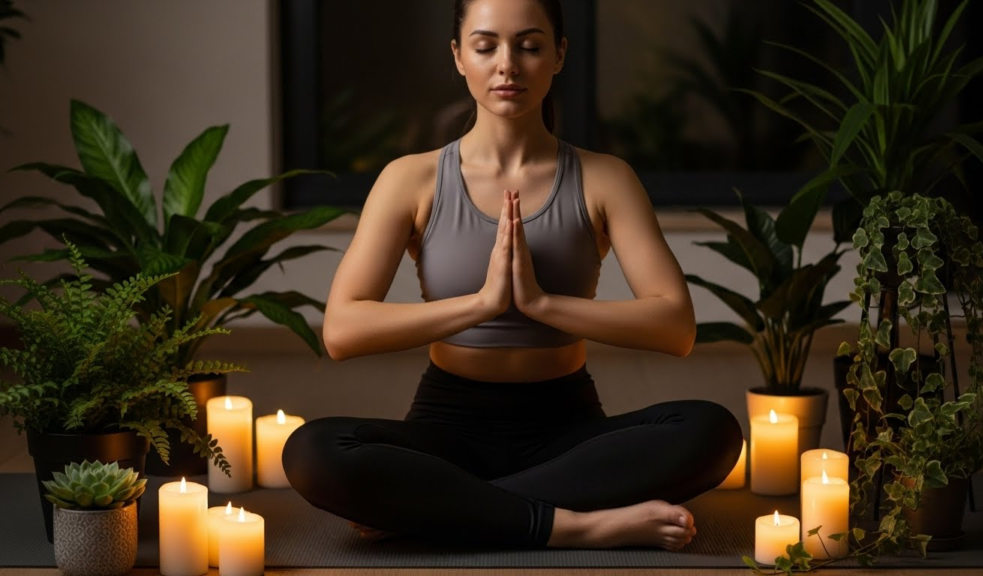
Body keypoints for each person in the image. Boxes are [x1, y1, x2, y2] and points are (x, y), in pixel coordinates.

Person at [282, 0, 742, 552]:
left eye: (529, 46)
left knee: (713, 432)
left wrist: (542, 304)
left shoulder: (604, 178)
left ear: (559, 55)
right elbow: (343, 330)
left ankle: (444, 509)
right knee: (312, 451)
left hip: (568, 428)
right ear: (458, 56)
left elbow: (675, 327)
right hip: (445, 425)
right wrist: (481, 303)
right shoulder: (410, 179)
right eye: (485, 46)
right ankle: (577, 525)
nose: (508, 65)